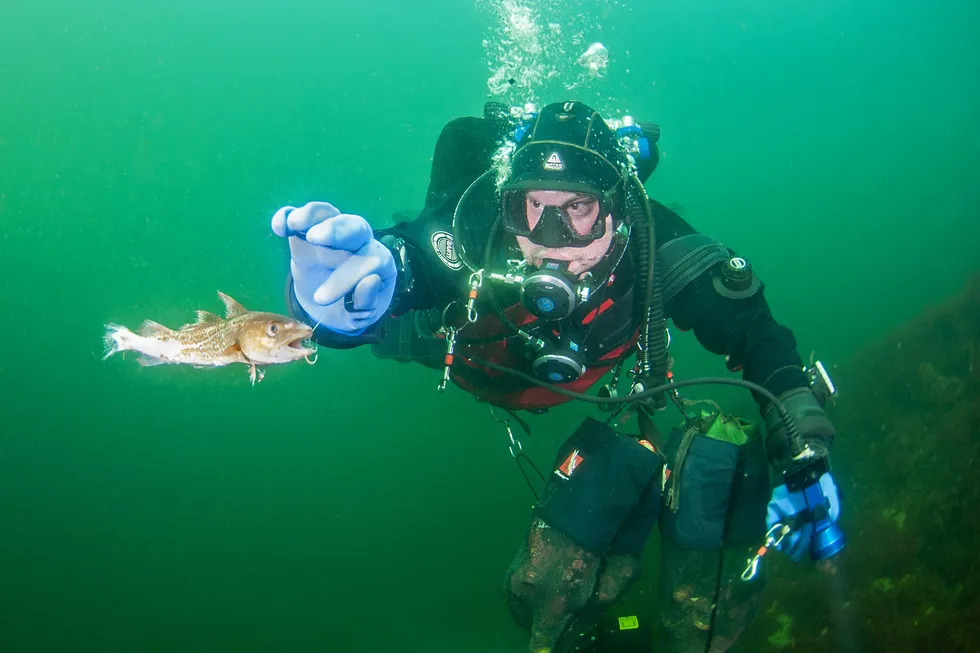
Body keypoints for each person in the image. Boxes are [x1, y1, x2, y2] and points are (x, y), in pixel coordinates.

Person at [269, 100, 844, 653]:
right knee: (384, 324)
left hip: (585, 375)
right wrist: (335, 308)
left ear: (616, 208)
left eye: (578, 209)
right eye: (531, 209)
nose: (551, 241)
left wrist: (802, 437)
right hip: (462, 352)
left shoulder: (653, 242)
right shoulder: (474, 227)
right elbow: (407, 263)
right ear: (506, 203)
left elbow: (751, 329)